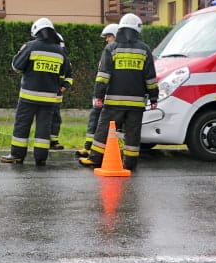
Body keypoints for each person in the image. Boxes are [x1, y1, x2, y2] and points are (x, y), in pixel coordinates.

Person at [79, 14, 159, 170]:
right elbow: (150, 77)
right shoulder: (144, 50)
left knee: (104, 130)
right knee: (133, 134)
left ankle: (95, 159)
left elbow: (103, 76)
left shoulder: (111, 48)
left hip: (113, 102)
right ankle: (130, 164)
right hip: (136, 103)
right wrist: (154, 97)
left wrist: (99, 95)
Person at [1, 18, 72, 166]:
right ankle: (40, 158)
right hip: (49, 99)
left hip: (28, 96)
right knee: (44, 128)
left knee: (22, 125)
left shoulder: (31, 46)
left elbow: (17, 67)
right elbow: (63, 75)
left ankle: (17, 155)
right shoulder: (60, 51)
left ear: (36, 31)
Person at [75, 24, 119, 158]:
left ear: (116, 36)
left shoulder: (115, 53)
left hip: (109, 94)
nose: (107, 39)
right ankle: (88, 147)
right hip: (103, 93)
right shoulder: (108, 51)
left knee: (101, 121)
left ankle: (99, 150)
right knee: (94, 118)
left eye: (109, 36)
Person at [49, 33, 72, 150]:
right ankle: (44, 140)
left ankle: (54, 141)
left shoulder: (66, 59)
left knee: (56, 117)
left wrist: (64, 86)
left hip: (57, 94)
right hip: (46, 93)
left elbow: (69, 76)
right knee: (45, 117)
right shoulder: (49, 57)